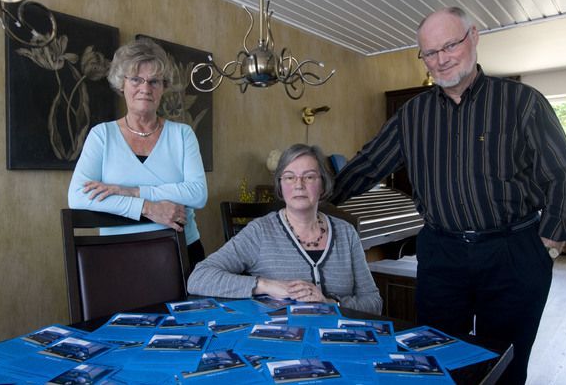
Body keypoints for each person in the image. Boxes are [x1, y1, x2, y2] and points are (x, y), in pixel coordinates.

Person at [329, 7, 566, 384]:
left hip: (513, 254)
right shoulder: (411, 115)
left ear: (474, 36)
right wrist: (313, 192)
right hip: (442, 256)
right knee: (436, 359)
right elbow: (367, 165)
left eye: (449, 45)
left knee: (505, 367)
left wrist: (546, 246)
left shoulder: (521, 102)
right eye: (429, 53)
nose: (440, 59)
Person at [187, 144, 382, 315]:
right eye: (289, 177)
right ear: (280, 186)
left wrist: (331, 303)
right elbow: (199, 277)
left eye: (309, 177)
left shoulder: (346, 233)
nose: (299, 185)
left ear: (323, 185)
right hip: (280, 343)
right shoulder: (260, 232)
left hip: (342, 342)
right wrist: (265, 285)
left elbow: (373, 303)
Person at [68, 38, 208, 269]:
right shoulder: (102, 135)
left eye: (154, 81)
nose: (145, 88)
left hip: (182, 253)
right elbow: (78, 197)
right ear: (121, 84)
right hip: (119, 255)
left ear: (163, 87)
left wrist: (131, 191)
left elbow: (197, 193)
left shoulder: (182, 135)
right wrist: (148, 208)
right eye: (136, 79)